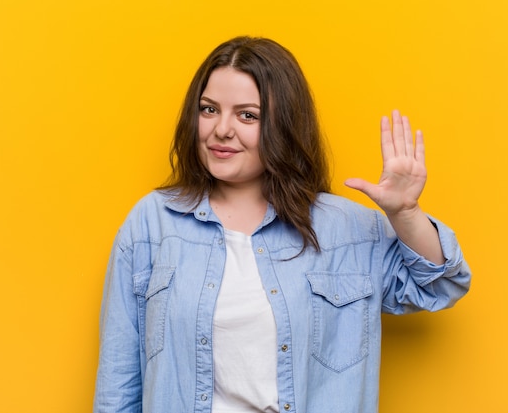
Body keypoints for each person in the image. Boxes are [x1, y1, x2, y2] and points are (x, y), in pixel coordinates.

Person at [93, 36, 471, 413]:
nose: (221, 129)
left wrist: (405, 214)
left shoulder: (345, 231)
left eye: (247, 115)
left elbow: (440, 284)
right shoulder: (152, 225)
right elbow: (118, 385)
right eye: (209, 110)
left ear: (284, 125)